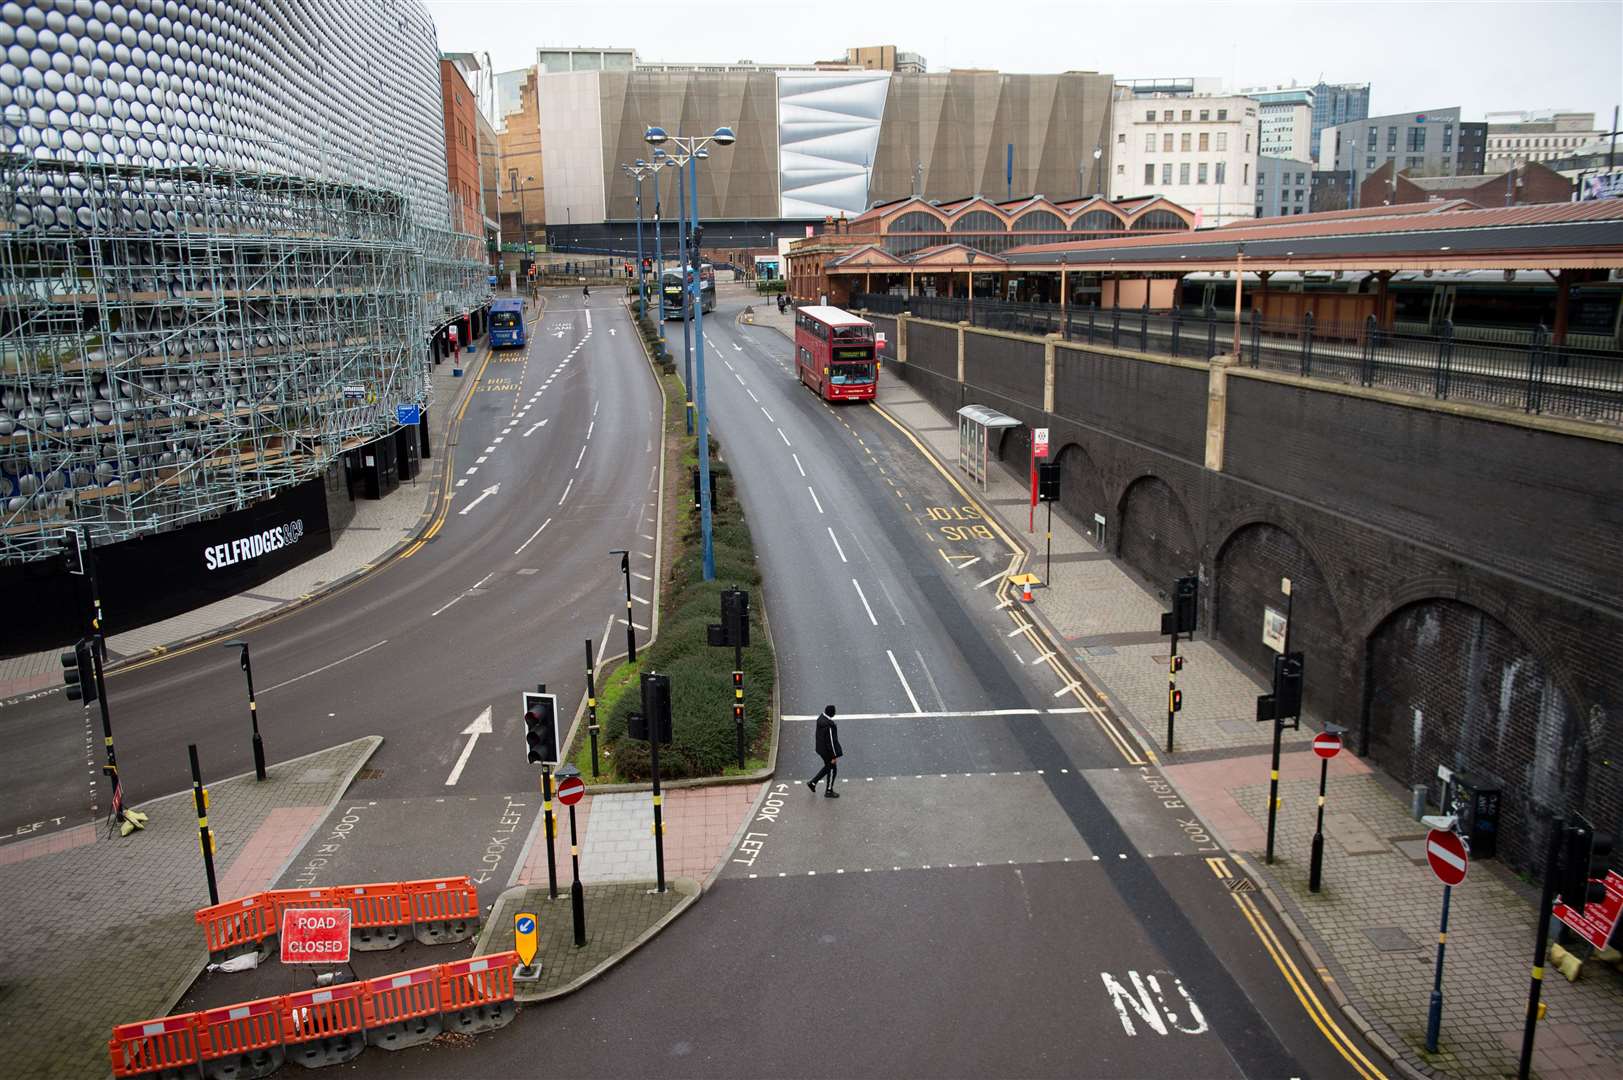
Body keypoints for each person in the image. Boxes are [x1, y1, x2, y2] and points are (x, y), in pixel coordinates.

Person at [806, 705, 843, 798]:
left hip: (821, 749)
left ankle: (813, 783)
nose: (835, 713)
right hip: (827, 752)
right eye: (834, 712)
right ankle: (829, 791)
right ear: (831, 713)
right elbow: (831, 742)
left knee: (828, 767)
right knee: (832, 769)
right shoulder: (829, 725)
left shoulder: (820, 719)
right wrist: (834, 756)